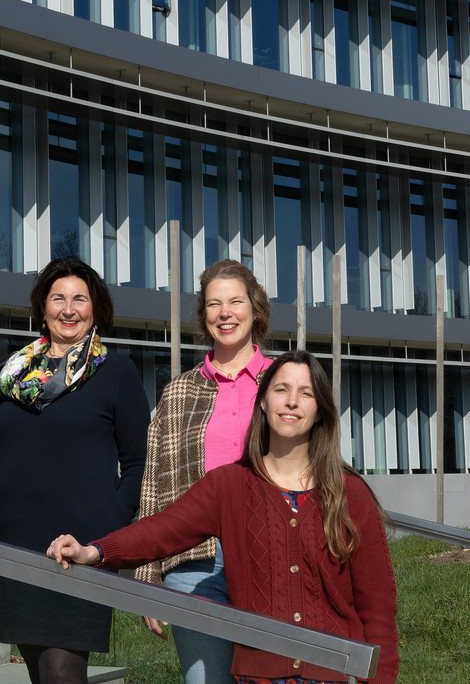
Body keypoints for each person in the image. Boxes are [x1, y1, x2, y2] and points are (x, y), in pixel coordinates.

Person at [47, 351, 399, 684]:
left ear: (319, 410)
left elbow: (378, 607)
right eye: (281, 389)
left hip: (337, 673)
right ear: (262, 401)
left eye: (305, 393)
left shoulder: (350, 493)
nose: (292, 401)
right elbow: (162, 530)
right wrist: (94, 551)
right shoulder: (229, 486)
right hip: (259, 675)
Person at [0, 256, 151, 684]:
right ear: (43, 307)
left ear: (96, 308)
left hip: (78, 552)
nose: (68, 308)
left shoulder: (116, 372)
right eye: (58, 298)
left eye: (80, 298)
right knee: (40, 674)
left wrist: (105, 539)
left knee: (62, 671)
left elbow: (136, 466)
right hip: (16, 550)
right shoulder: (12, 372)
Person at [137, 259, 272, 683]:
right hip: (194, 562)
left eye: (235, 301)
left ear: (255, 309)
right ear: (204, 315)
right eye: (214, 304)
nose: (225, 313)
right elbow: (155, 484)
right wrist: (147, 574)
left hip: (270, 554)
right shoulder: (178, 390)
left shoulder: (283, 382)